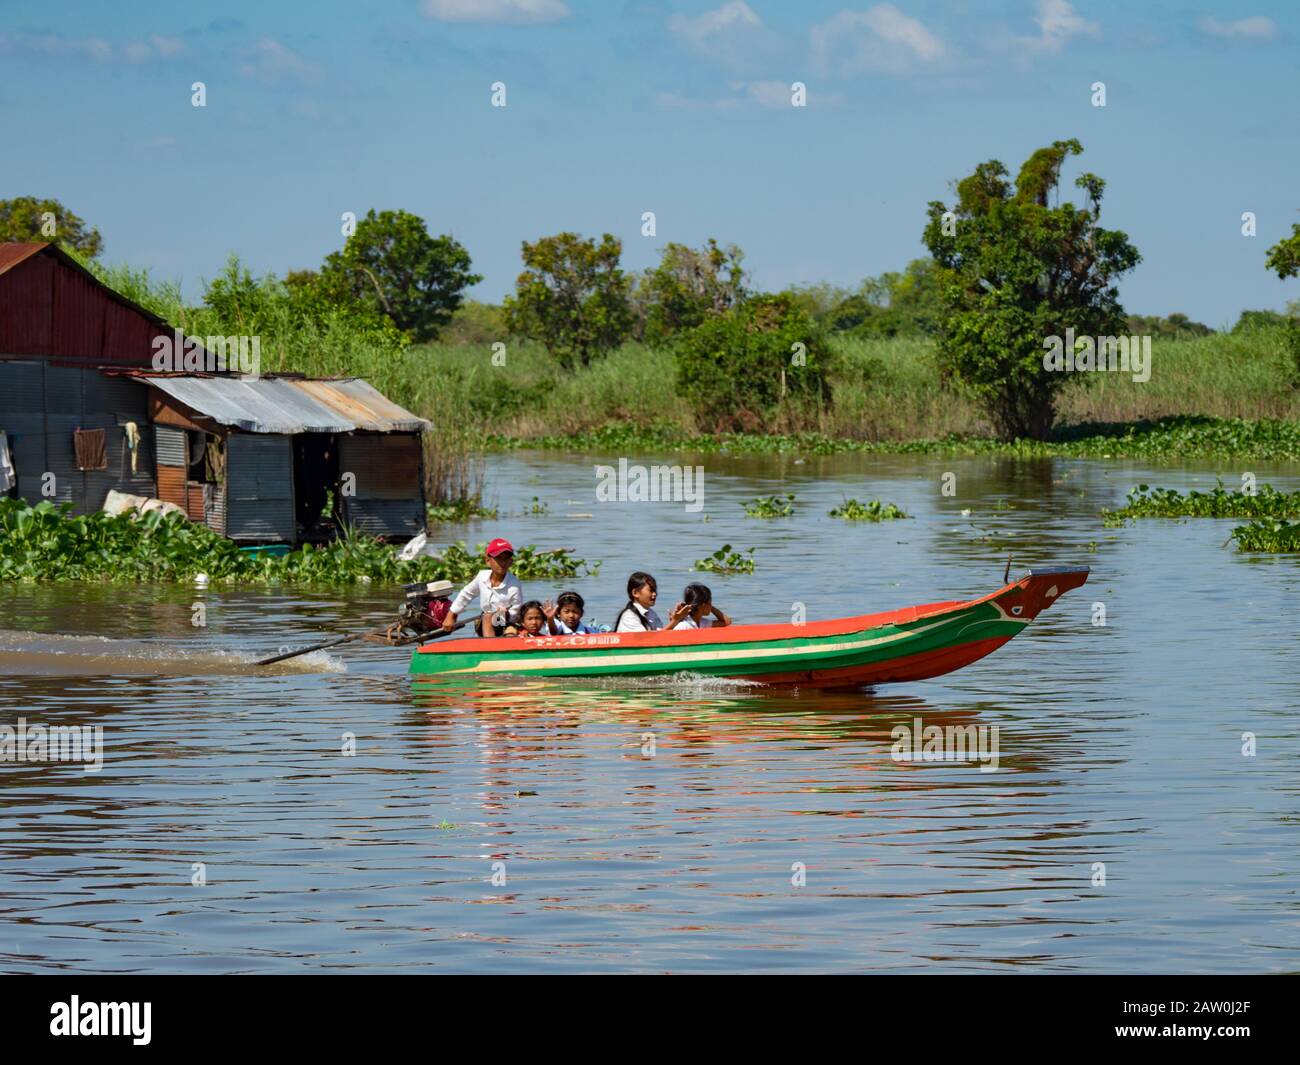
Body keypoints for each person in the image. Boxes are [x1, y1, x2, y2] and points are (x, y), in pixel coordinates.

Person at [443, 538, 522, 637]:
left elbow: (516, 610)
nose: (503, 562)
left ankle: (490, 647)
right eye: (498, 558)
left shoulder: (514, 584)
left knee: (488, 617)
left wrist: (503, 615)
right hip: (486, 621)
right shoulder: (482, 577)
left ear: (511, 562)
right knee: (487, 616)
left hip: (506, 623)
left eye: (506, 559)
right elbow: (466, 594)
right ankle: (489, 642)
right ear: (488, 561)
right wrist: (452, 614)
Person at [614, 572, 689, 632]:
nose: (655, 594)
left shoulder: (651, 613)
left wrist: (677, 620)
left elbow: (661, 634)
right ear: (635, 593)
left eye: (655, 590)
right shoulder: (629, 616)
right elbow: (649, 640)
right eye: (651, 590)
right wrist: (675, 621)